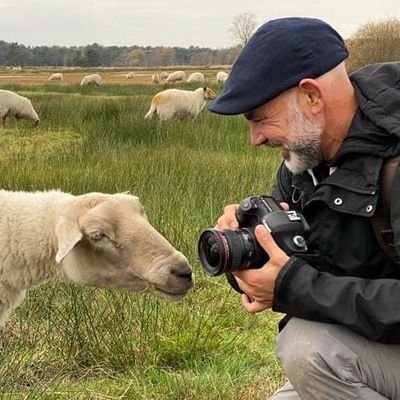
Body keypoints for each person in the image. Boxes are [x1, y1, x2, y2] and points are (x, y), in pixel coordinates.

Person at [207, 17, 400, 400]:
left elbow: (304, 286)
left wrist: (293, 286)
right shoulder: (304, 167)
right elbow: (300, 266)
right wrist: (250, 251)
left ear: (312, 97)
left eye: (259, 117)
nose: (254, 138)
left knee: (307, 347)